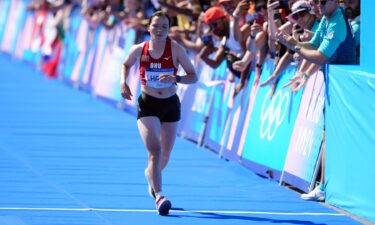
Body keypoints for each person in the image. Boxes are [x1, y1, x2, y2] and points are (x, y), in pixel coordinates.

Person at [276, 0, 356, 201]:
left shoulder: (337, 23)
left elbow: (320, 56)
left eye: (322, 2)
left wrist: (294, 45)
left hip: (348, 87)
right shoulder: (327, 19)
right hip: (335, 84)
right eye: (316, 2)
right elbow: (314, 44)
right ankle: (323, 186)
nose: (318, 6)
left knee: (336, 135)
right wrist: (290, 42)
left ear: (335, 1)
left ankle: (333, 187)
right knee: (326, 134)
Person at [120, 11, 198, 215]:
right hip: (148, 104)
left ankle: (151, 177)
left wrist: (176, 79)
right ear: (149, 28)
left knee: (166, 152)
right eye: (156, 26)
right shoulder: (140, 49)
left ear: (168, 30)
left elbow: (193, 76)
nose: (160, 30)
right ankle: (160, 196)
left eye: (164, 27)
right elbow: (126, 64)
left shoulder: (176, 50)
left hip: (171, 104)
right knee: (154, 151)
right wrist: (123, 82)